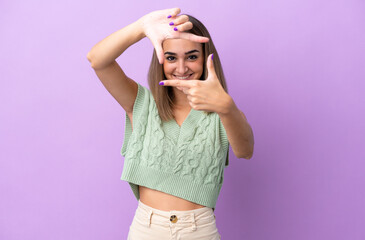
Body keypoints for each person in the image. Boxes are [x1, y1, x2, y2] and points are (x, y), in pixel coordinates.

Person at [87, 7, 254, 240]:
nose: (182, 68)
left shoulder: (223, 113)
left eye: (192, 56)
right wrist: (142, 27)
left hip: (199, 231)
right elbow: (97, 60)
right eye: (171, 57)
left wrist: (226, 107)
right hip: (146, 229)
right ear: (160, 59)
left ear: (206, 59)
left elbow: (245, 151)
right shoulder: (142, 103)